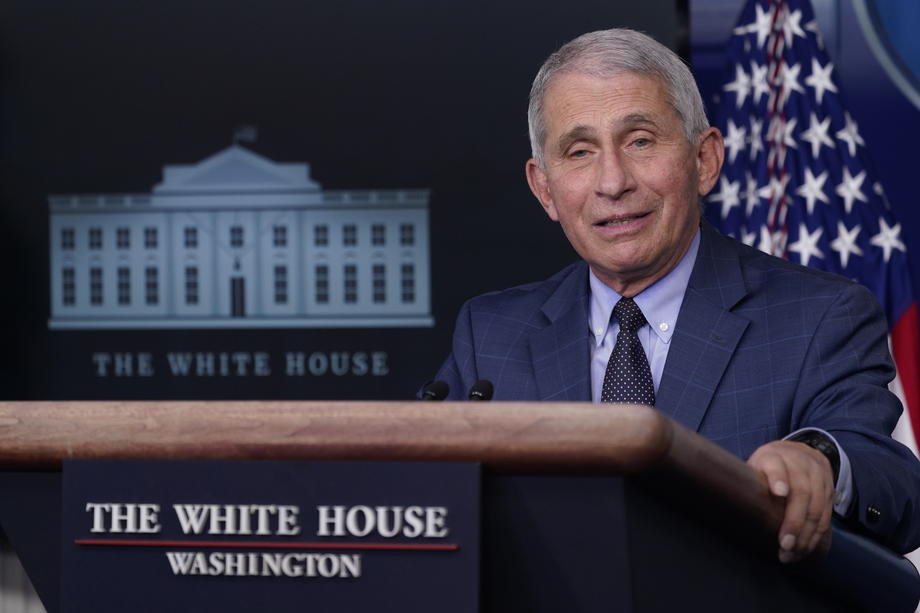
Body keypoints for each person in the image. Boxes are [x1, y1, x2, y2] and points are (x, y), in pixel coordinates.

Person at [430, 28, 920, 561]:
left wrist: (820, 460)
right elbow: (416, 486)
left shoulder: (819, 316)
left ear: (704, 159)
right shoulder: (492, 334)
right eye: (579, 151)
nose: (613, 182)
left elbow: (892, 483)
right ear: (545, 188)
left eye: (640, 141)